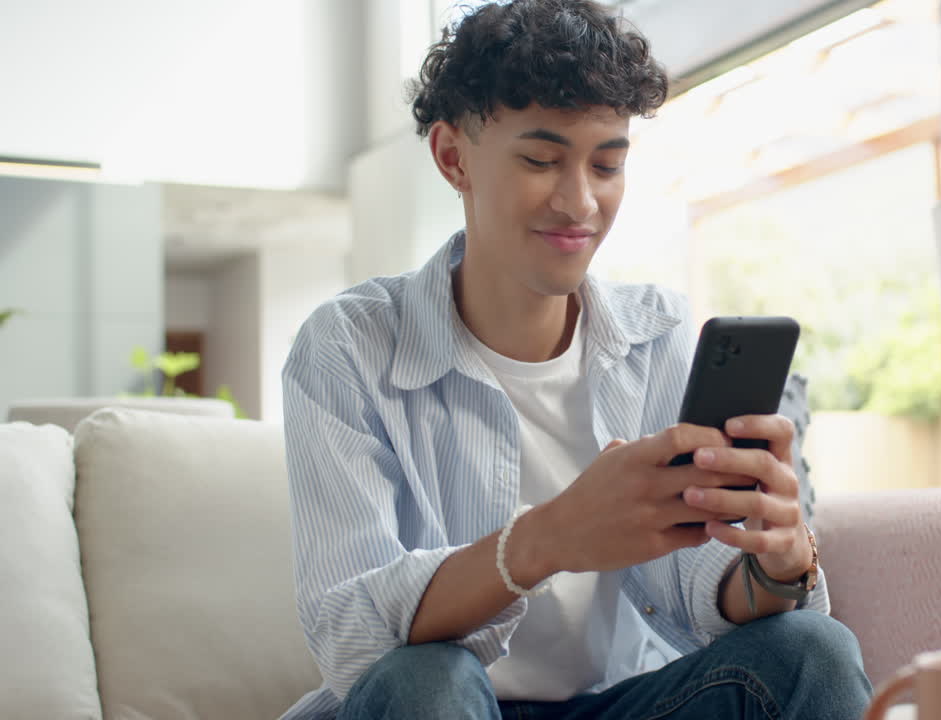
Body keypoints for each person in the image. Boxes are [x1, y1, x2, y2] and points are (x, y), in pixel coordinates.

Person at [280, 1, 872, 718]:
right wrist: (549, 538)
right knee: (426, 679)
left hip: (611, 704)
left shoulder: (658, 338)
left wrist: (780, 563)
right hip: (434, 706)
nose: (580, 202)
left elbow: (705, 594)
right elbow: (351, 637)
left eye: (607, 164)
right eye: (541, 160)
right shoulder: (346, 348)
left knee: (813, 649)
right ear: (452, 156)